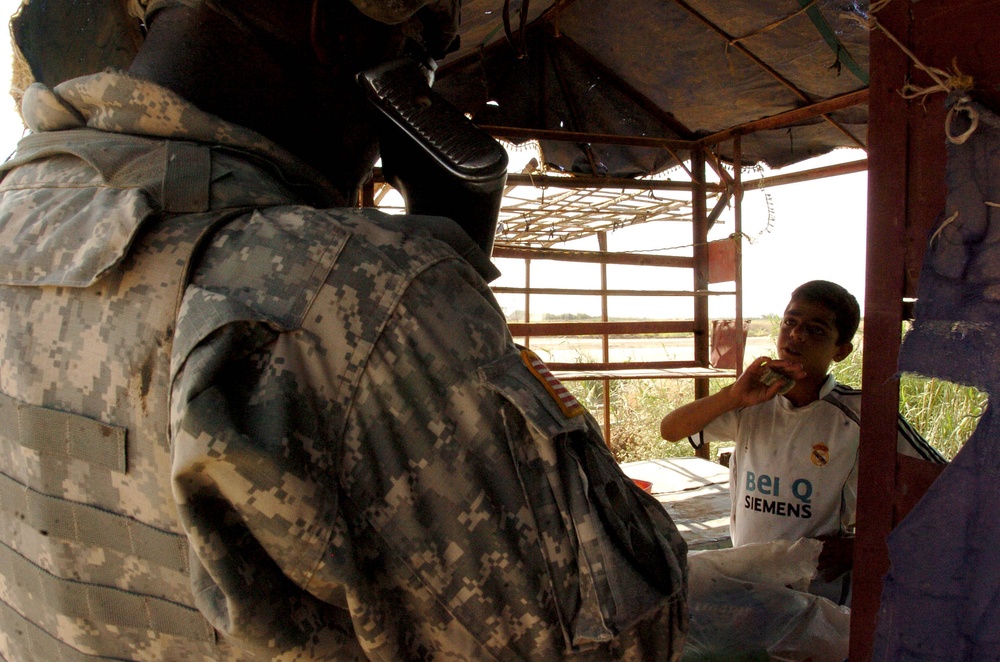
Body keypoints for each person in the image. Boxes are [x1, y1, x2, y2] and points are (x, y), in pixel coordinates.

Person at [0, 0, 688, 659]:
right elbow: (621, 637)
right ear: (335, 28)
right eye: (420, 65)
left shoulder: (17, 208)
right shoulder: (368, 290)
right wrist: (455, 276)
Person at [659, 280, 945, 604]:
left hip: (819, 596)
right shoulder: (751, 402)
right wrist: (731, 395)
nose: (796, 335)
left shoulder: (861, 415)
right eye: (790, 322)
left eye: (817, 330)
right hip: (749, 582)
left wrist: (860, 546)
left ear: (841, 350)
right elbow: (670, 429)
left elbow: (945, 487)